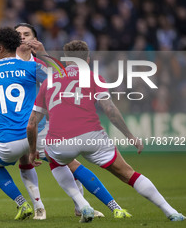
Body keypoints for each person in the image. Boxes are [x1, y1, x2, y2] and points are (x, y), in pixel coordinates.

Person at [27, 40, 185, 222]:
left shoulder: (49, 82)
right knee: (129, 174)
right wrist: (130, 136)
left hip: (60, 141)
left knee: (55, 161)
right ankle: (171, 212)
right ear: (87, 59)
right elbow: (110, 110)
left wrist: (32, 151)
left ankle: (83, 205)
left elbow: (31, 124)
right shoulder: (94, 77)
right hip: (92, 136)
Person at [15, 23, 130, 218]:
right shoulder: (5, 65)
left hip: (38, 127)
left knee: (67, 163)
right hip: (16, 128)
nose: (23, 38)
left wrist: (43, 54)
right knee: (30, 161)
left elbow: (64, 77)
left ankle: (84, 206)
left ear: (36, 39)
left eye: (28, 34)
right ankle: (42, 208)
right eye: (19, 35)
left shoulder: (39, 66)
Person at [0, 27, 60, 220]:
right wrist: (44, 55)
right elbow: (60, 80)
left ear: (1, 48)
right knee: (67, 162)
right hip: (35, 136)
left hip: (7, 143)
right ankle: (82, 204)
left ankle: (23, 203)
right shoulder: (31, 67)